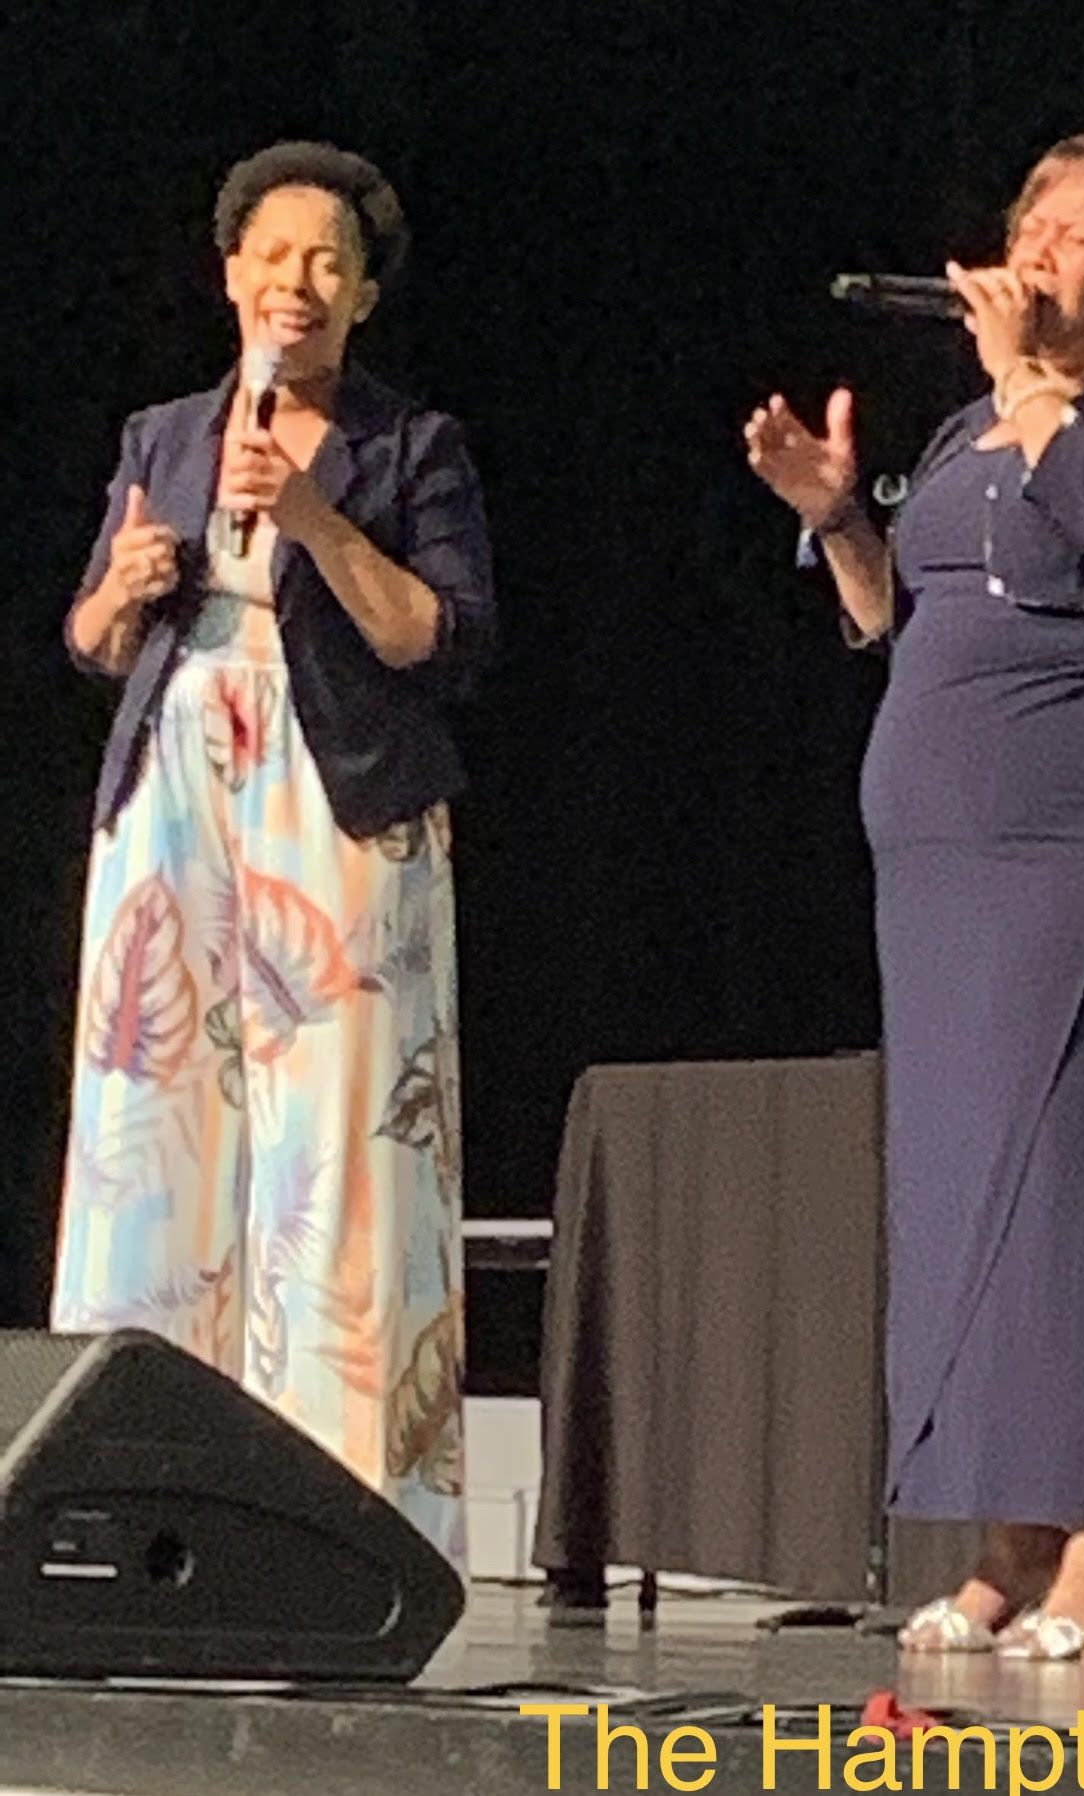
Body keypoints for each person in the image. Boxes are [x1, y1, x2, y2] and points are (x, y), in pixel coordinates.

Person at [745, 132, 1084, 1659]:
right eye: (1027, 225)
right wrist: (839, 519)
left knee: (1076, 1177)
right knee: (967, 1188)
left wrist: (1033, 382)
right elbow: (900, 623)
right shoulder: (977, 420)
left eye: (1075, 235)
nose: (1033, 253)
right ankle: (1007, 1540)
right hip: (947, 849)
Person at [54, 141, 494, 1568]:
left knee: (342, 1147)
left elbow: (442, 639)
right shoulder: (165, 435)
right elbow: (93, 638)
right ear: (230, 274)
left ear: (360, 296)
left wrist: (309, 515)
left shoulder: (411, 446)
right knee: (152, 1130)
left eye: (327, 262)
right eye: (273, 254)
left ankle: (352, 1526)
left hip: (336, 790)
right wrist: (120, 596)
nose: (295, 281)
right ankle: (125, 1502)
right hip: (178, 783)